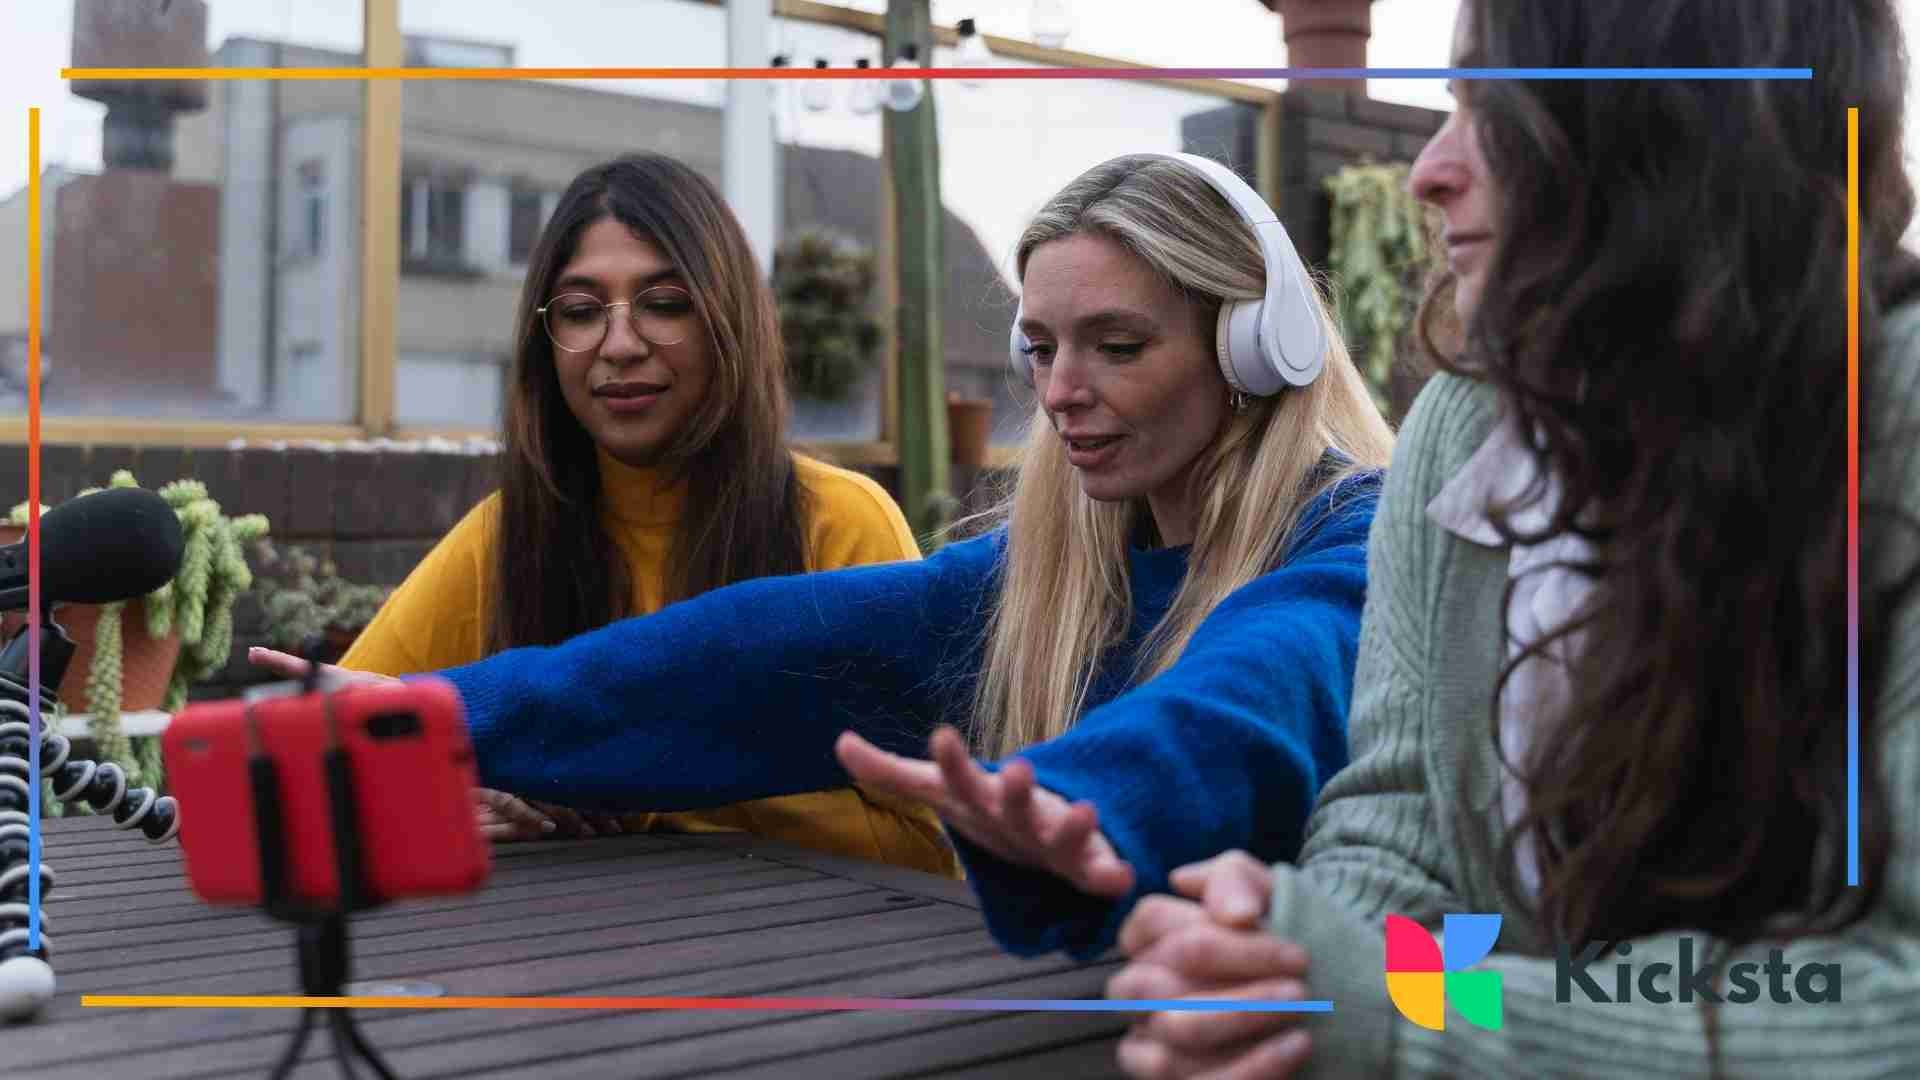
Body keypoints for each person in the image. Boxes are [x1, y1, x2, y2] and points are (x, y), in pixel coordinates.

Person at [264, 152, 1396, 958]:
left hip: (1439, 1010)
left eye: (1118, 345)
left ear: (1257, 345)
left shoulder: (1363, 546)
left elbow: (1252, 685)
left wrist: (1083, 797)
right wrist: (437, 717)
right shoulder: (1043, 581)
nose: (1060, 392)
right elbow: (737, 655)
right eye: (1042, 348)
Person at [1107, 1, 1920, 1076]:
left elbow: (1899, 1002)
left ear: (1669, 118)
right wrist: (1286, 976)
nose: (1428, 173)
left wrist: (1409, 1020)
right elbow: (1400, 831)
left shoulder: (1897, 417)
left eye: (1490, 108)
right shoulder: (1465, 425)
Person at [255, 153, 959, 878]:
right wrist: (453, 796)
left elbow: (933, 846)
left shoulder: (840, 524)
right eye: (581, 311)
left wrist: (637, 786)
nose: (619, 345)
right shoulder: (505, 536)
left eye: (665, 303)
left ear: (731, 319)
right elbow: (310, 767)